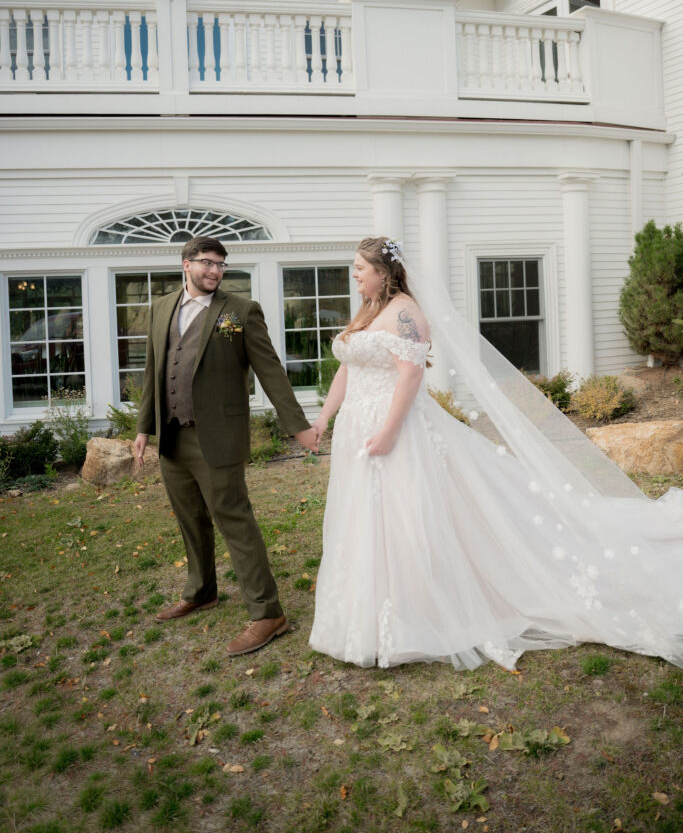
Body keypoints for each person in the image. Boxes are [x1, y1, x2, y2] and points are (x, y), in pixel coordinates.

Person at [309, 236, 683, 671]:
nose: (353, 274)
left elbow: (410, 378)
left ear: (383, 272)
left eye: (359, 267)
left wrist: (389, 432)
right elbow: (348, 370)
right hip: (359, 426)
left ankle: (418, 610)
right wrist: (323, 419)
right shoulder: (368, 310)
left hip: (397, 428)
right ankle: (371, 609)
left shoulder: (406, 312)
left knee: (409, 512)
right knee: (367, 516)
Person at [133, 236, 319, 656]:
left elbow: (269, 370)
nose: (215, 271)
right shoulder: (162, 306)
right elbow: (153, 370)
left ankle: (268, 612)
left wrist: (297, 427)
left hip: (217, 436)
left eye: (221, 264)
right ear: (185, 264)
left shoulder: (240, 312)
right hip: (172, 435)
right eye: (207, 263)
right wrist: (144, 427)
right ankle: (201, 590)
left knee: (235, 521)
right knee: (190, 518)